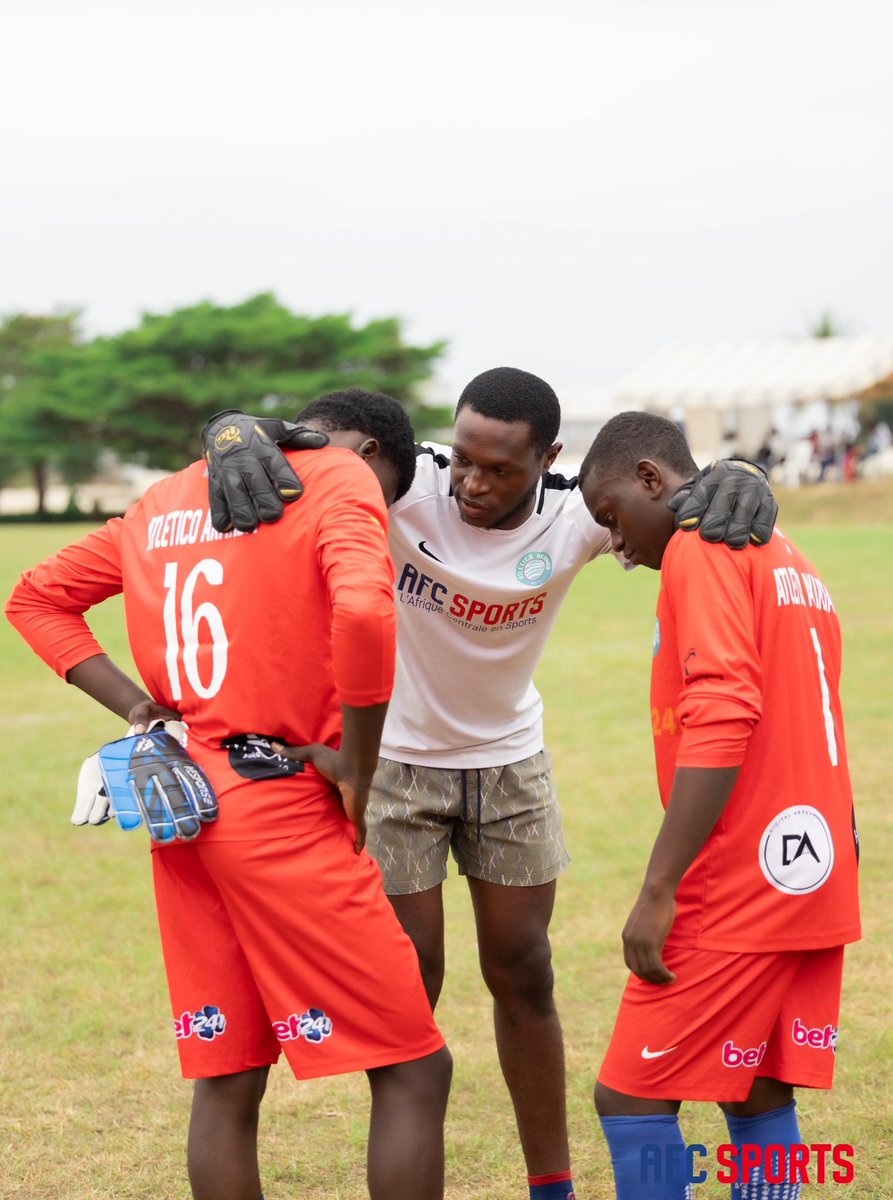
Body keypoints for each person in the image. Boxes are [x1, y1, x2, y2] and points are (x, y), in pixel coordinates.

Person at [201, 368, 778, 1200]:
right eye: (464, 458)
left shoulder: (579, 511)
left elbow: (685, 496)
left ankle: (553, 1186)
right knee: (411, 984)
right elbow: (298, 438)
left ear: (546, 460)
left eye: (499, 468)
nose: (471, 481)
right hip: (392, 765)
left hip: (508, 763)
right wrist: (229, 423)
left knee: (525, 970)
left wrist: (747, 478)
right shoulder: (408, 482)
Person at [6, 389, 453, 1200]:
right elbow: (361, 609)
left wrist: (143, 710)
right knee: (414, 1067)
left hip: (181, 797)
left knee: (229, 1074)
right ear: (377, 461)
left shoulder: (167, 494)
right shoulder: (341, 479)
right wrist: (359, 759)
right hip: (277, 803)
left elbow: (34, 597)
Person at [577, 411, 860, 1200]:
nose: (616, 546)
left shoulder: (702, 550)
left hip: (741, 874)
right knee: (754, 1082)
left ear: (649, 479)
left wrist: (659, 886)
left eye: (611, 518)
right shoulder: (783, 550)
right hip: (813, 856)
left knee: (629, 1095)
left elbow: (725, 710)